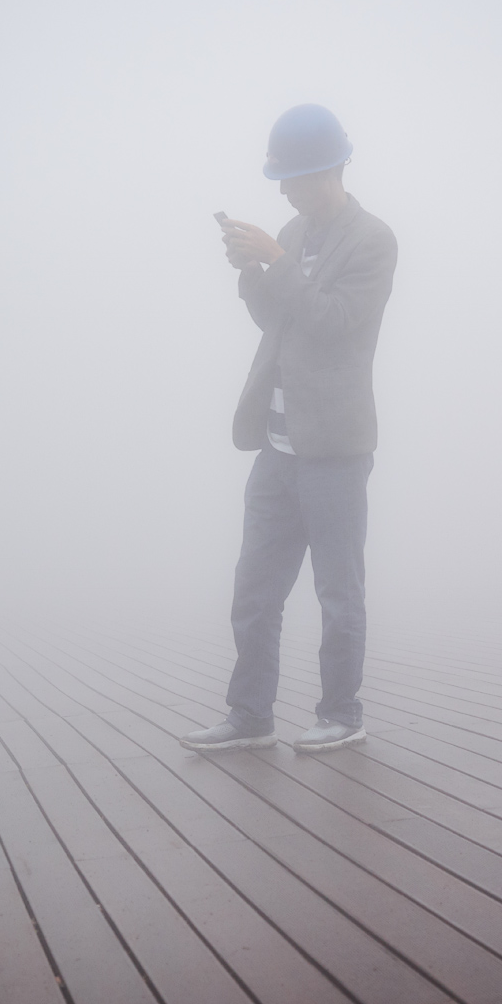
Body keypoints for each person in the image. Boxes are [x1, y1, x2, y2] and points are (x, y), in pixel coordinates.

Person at [180, 104, 398, 754]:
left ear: (330, 169)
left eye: (294, 177)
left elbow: (334, 323)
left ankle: (341, 711)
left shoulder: (374, 239)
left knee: (338, 592)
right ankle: (250, 716)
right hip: (276, 447)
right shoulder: (292, 232)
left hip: (333, 449)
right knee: (254, 590)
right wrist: (253, 272)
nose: (283, 191)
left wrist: (276, 259)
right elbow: (280, 322)